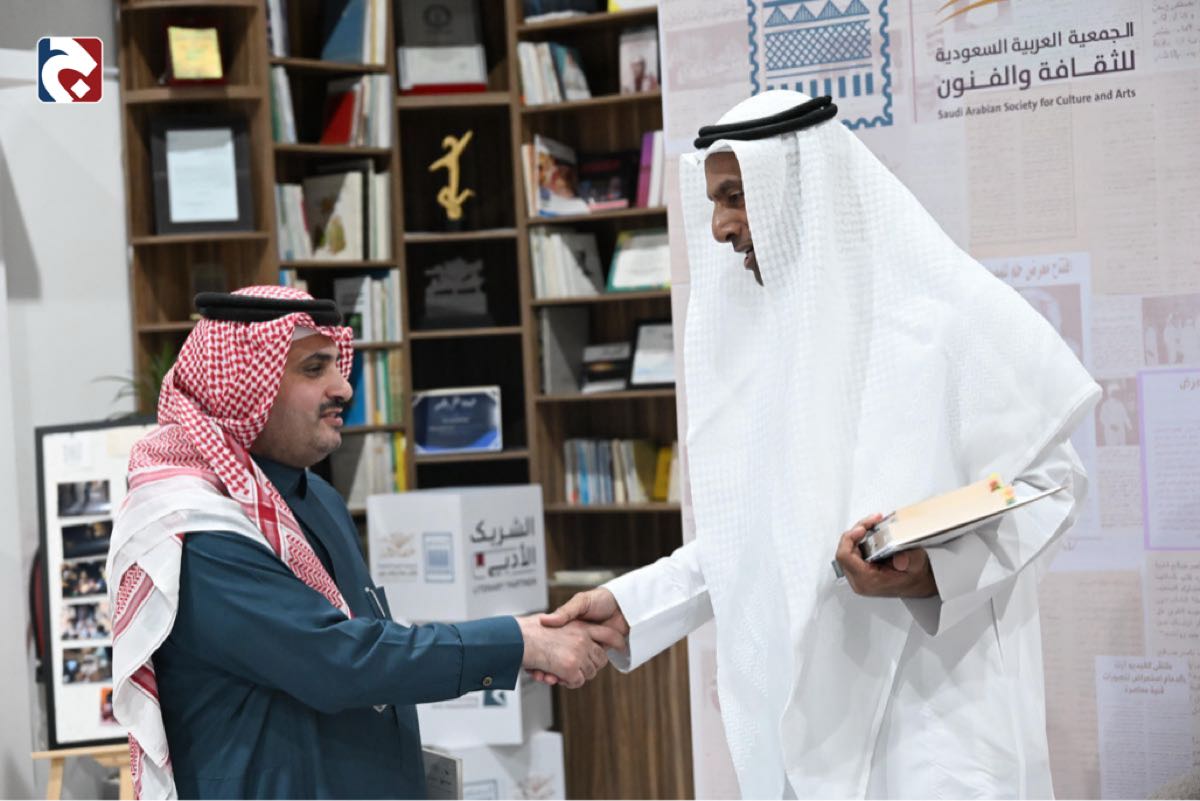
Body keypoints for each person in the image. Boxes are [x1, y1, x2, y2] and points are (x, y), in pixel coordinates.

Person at [537, 92, 1099, 798]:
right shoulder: (776, 349)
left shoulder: (949, 321)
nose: (719, 228)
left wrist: (931, 573)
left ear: (801, 187)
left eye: (736, 197)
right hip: (813, 730)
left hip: (939, 723)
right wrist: (632, 607)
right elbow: (754, 537)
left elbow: (1051, 489)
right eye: (714, 202)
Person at [107, 287, 622, 799]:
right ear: (240, 389)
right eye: (314, 369)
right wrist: (519, 641)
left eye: (337, 365)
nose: (343, 389)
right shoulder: (196, 532)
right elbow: (340, 662)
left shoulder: (318, 499)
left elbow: (371, 650)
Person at [1098, 381, 1134, 446]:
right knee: (1111, 447)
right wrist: (1110, 425)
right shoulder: (1105, 405)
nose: (1117, 394)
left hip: (1121, 430)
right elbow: (1102, 418)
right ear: (1111, 393)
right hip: (1110, 432)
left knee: (1122, 447)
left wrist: (1130, 428)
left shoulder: (1120, 404)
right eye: (1116, 392)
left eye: (1118, 392)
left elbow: (1125, 416)